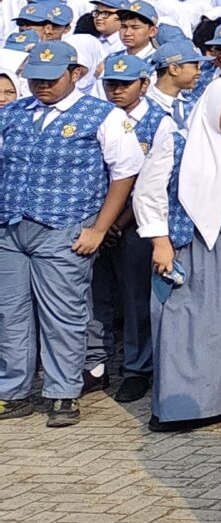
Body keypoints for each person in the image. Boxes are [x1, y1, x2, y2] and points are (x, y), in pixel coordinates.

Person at [0, 38, 142, 427]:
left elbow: (125, 172)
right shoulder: (12, 114)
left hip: (65, 229)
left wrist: (100, 227)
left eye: (50, 78)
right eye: (34, 79)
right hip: (10, 228)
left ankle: (63, 391)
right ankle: (12, 390)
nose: (41, 86)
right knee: (9, 314)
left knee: (63, 314)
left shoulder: (103, 115)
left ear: (75, 74)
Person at [136, 73, 221, 424]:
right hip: (186, 244)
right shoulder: (178, 142)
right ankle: (180, 408)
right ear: (211, 105)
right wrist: (159, 241)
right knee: (183, 322)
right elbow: (148, 193)